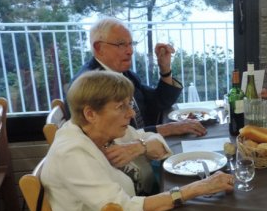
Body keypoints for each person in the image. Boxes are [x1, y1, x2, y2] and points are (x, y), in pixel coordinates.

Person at [41, 71, 235, 211]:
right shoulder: (72, 154)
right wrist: (197, 188)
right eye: (120, 106)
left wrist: (140, 146)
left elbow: (156, 142)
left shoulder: (101, 130)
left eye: (128, 104)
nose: (131, 113)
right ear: (90, 113)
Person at [73, 16, 206, 138]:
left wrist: (164, 68)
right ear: (99, 47)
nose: (130, 51)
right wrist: (167, 129)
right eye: (121, 44)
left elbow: (159, 102)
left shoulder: (122, 73)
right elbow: (115, 138)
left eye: (131, 44)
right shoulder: (91, 85)